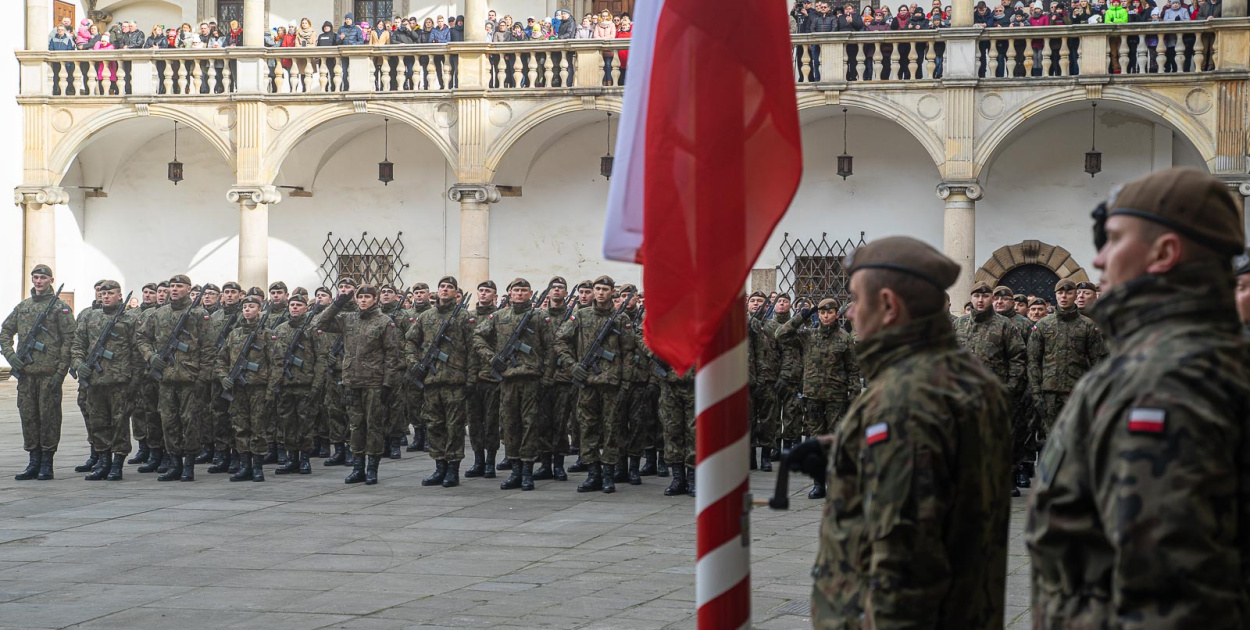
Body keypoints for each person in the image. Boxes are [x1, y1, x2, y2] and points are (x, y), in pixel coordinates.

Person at [1028, 167, 1250, 628]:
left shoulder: (1164, 382)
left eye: (1113, 239)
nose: (1100, 259)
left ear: (1164, 252)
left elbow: (1164, 599)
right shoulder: (1194, 356)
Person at [798, 236, 1010, 629]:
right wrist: (845, 450)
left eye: (856, 300)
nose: (848, 313)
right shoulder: (962, 375)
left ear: (889, 306)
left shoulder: (904, 398)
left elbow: (905, 562)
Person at [556, 276, 637, 493]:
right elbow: (561, 341)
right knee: (587, 428)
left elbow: (630, 352)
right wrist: (573, 366)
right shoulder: (581, 316)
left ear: (613, 293)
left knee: (612, 430)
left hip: (612, 383)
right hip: (587, 383)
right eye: (597, 289)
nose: (600, 293)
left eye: (605, 289)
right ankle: (593, 473)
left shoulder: (621, 320)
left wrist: (626, 381)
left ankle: (609, 474)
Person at [474, 278, 556, 491]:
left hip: (531, 379)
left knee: (530, 424)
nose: (519, 294)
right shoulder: (500, 316)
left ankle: (528, 470)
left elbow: (551, 348)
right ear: (509, 293)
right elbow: (478, 338)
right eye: (516, 290)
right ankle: (515, 469)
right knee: (510, 425)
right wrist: (492, 358)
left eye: (524, 290)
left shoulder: (540, 317)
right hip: (508, 379)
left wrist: (547, 376)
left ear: (530, 293)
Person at [775, 297, 860, 499]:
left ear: (836, 314)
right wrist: (802, 315)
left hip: (836, 397)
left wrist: (854, 396)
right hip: (812, 396)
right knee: (816, 440)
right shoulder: (808, 335)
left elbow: (853, 370)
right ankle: (818, 484)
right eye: (821, 312)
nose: (825, 315)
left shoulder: (844, 338)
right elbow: (781, 334)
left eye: (829, 312)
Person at [314, 284, 399, 485]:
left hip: (374, 382)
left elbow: (392, 355)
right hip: (352, 380)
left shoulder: (384, 321)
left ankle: (372, 468)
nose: (363, 300)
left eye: (367, 297)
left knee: (373, 427)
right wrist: (338, 302)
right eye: (360, 297)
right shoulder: (348, 318)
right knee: (355, 426)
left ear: (375, 299)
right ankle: (358, 467)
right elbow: (321, 323)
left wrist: (388, 383)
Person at [3, 265, 76, 481]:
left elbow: (69, 341)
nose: (38, 281)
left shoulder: (60, 309)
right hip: (26, 374)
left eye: (42, 277)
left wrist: (60, 372)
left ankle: (47, 462)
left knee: (49, 418)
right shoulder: (22, 307)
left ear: (51, 280)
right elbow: (5, 332)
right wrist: (11, 356)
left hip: (48, 374)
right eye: (35, 277)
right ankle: (33, 460)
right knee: (29, 417)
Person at [137, 275, 212, 482]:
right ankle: (174, 463)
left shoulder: (199, 314)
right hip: (166, 378)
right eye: (173, 286)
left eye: (180, 286)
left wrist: (203, 378)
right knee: (168, 421)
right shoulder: (159, 314)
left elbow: (208, 348)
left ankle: (189, 464)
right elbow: (141, 337)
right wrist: (150, 356)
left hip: (191, 377)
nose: (175, 289)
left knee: (190, 422)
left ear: (188, 289)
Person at [955, 282, 1026, 495]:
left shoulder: (1004, 325)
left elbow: (1018, 357)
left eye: (985, 296)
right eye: (976, 296)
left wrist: (1010, 387)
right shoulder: (959, 324)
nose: (980, 300)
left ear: (991, 299)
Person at [407, 277, 474, 488]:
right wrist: (414, 363)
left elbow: (473, 349)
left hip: (455, 381)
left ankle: (453, 469)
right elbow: (409, 341)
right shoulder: (426, 317)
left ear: (456, 292)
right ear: (436, 291)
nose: (445, 290)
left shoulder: (463, 317)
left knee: (454, 427)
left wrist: (471, 378)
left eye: (450, 287)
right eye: (442, 287)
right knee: (434, 425)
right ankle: (439, 467)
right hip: (431, 381)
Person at [1026, 278, 1107, 438]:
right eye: (1060, 293)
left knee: (1077, 438)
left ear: (1075, 295)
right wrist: (1036, 393)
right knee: (1050, 441)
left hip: (1077, 391)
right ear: (1055, 295)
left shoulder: (1087, 326)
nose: (1064, 296)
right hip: (1049, 393)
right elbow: (1033, 361)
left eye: (1068, 293)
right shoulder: (1043, 325)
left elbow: (1098, 362)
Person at [215, 293, 272, 482]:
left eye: (252, 307)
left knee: (258, 426)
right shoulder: (235, 334)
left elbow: (277, 364)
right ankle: (244, 464)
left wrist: (271, 389)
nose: (248, 310)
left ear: (259, 310)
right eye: (245, 307)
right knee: (240, 426)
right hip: (238, 388)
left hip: (258, 387)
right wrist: (224, 378)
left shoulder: (267, 334)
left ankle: (257, 466)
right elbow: (221, 359)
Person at [269, 293, 322, 475]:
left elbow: (321, 358)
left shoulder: (312, 329)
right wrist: (275, 382)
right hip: (285, 384)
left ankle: (305, 458)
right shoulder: (280, 330)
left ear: (306, 308)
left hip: (305, 384)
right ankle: (292, 458)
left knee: (305, 423)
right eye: (292, 305)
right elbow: (274, 358)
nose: (295, 308)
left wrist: (316, 383)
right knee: (287, 423)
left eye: (299, 305)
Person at [465, 281, 503, 476]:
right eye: (481, 290)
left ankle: (490, 461)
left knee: (491, 421)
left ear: (495, 296)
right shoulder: (467, 317)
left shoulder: (499, 317)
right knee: (474, 421)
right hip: (471, 377)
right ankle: (478, 460)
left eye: (487, 291)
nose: (483, 294)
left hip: (491, 376)